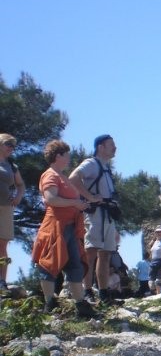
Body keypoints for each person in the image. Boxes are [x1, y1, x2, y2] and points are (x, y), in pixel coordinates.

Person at [31, 140, 97, 318]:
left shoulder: (62, 176)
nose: (69, 157)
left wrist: (79, 205)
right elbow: (51, 199)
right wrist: (76, 203)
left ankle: (80, 304)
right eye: (66, 154)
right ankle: (49, 302)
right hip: (55, 226)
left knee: (75, 264)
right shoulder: (50, 175)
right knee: (49, 263)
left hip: (70, 227)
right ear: (58, 155)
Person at [69, 134, 120, 305]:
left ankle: (104, 293)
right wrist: (90, 197)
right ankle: (87, 290)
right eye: (111, 145)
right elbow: (74, 178)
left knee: (105, 255)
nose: (115, 148)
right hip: (95, 214)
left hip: (106, 214)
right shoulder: (91, 163)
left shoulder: (105, 167)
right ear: (101, 147)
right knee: (91, 253)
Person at [0, 134, 25, 292]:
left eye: (13, 146)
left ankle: (2, 281)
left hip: (6, 208)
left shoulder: (11, 165)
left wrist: (18, 197)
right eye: (8, 144)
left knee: (2, 245)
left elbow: (20, 185)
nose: (11, 148)